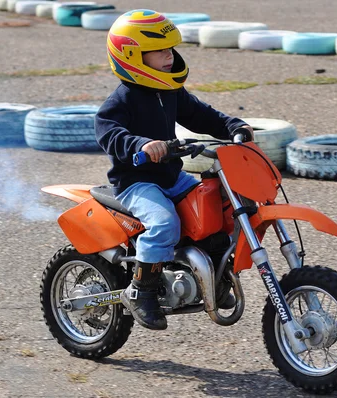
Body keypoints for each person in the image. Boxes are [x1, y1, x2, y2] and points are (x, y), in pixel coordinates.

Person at [95, 9, 254, 330]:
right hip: (136, 183)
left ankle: (217, 282)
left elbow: (202, 115)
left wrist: (234, 126)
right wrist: (140, 145)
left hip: (172, 176)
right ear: (132, 57)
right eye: (161, 52)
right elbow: (110, 133)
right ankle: (142, 291)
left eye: (171, 49)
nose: (170, 56)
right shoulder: (120, 102)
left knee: (214, 213)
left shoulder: (170, 92)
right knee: (165, 223)